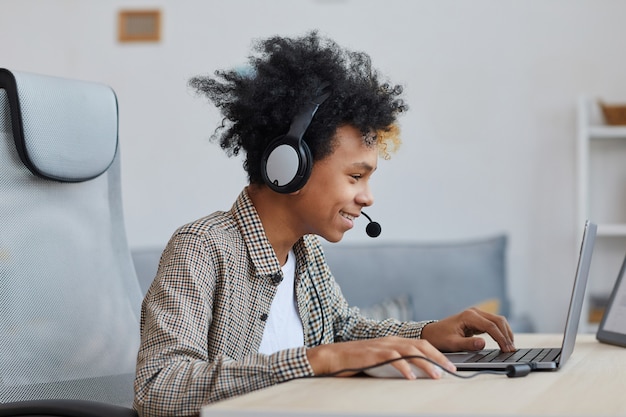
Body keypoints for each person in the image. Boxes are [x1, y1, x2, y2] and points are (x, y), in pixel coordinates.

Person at [133, 31, 515, 417]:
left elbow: (343, 330)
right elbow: (158, 388)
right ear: (289, 168)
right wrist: (317, 359)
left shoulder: (305, 251)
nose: (368, 197)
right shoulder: (202, 247)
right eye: (355, 177)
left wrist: (427, 333)